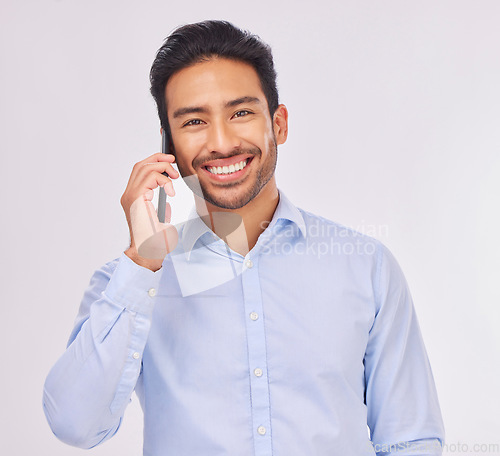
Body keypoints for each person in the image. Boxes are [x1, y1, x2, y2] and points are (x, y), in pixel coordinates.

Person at [43, 20, 445, 456]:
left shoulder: (365, 267)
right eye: (194, 121)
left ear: (279, 123)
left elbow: (411, 440)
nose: (222, 142)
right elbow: (75, 425)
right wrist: (143, 261)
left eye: (240, 113)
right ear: (168, 146)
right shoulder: (131, 281)